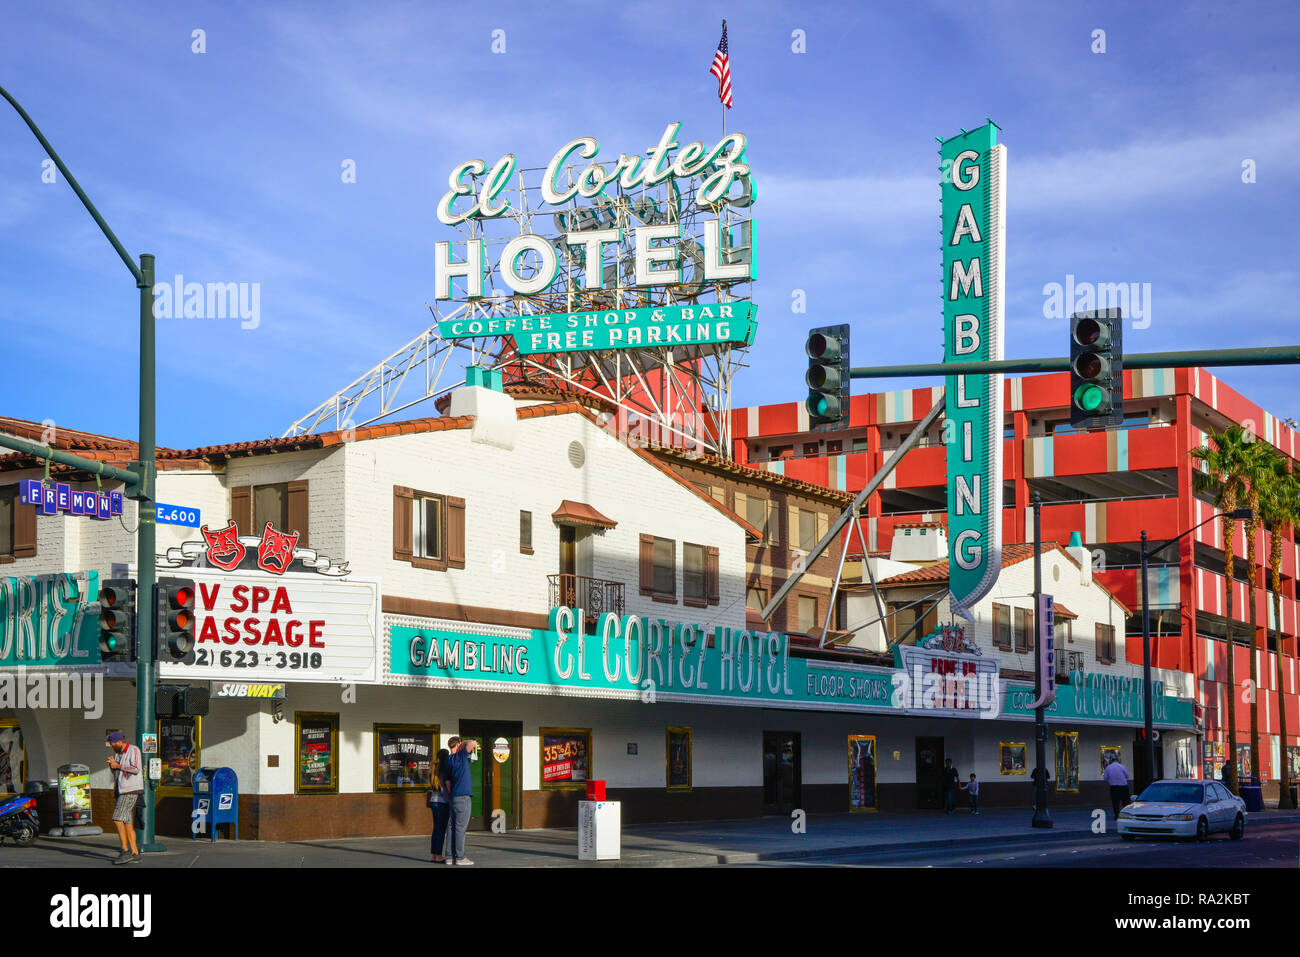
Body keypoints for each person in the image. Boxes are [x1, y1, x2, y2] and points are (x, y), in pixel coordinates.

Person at [105, 732, 142, 864]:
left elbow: (136, 768)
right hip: (122, 790)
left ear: (119, 741)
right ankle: (135, 852)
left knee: (117, 818)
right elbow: (118, 774)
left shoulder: (133, 750)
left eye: (113, 743)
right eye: (111, 744)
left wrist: (118, 765)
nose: (112, 746)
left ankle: (125, 850)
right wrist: (112, 766)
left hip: (131, 789)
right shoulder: (118, 754)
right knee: (127, 822)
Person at [442, 736, 478, 865]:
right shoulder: (461, 756)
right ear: (457, 745)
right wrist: (462, 744)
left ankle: (449, 856)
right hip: (463, 796)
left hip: (453, 796)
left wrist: (452, 793)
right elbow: (473, 743)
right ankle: (460, 857)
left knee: (452, 827)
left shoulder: (448, 760)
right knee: (460, 828)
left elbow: (447, 781)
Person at [428, 748, 451, 863]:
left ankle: (433, 855)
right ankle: (438, 856)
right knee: (441, 830)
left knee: (436, 829)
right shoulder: (443, 769)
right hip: (442, 802)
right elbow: (444, 788)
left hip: (433, 801)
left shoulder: (433, 768)